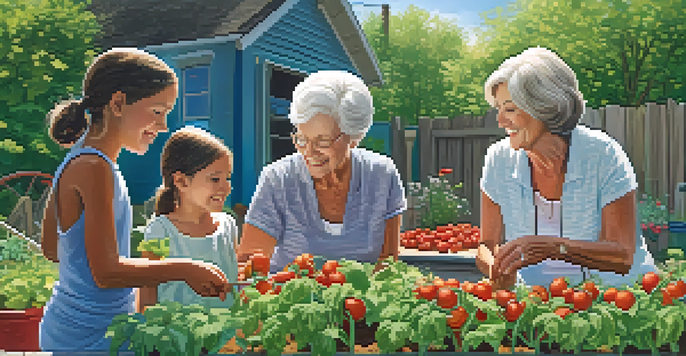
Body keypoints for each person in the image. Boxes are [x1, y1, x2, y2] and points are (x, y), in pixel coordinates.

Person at [39, 48, 229, 352]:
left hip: (68, 328)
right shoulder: (94, 168)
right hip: (94, 337)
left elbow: (52, 249)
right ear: (118, 103)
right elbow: (106, 273)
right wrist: (186, 268)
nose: (164, 126)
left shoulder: (79, 160)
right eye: (157, 111)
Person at [476, 47, 657, 290]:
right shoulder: (498, 159)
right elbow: (487, 245)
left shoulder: (602, 154)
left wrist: (552, 248)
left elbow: (623, 256)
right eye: (498, 109)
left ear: (544, 107)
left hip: (613, 303)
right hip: (536, 305)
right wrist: (496, 268)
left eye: (510, 109)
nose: (500, 121)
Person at [237, 70, 406, 274]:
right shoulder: (278, 179)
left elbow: (387, 266)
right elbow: (249, 267)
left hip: (359, 303)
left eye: (322, 141)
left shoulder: (382, 176)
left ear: (354, 136)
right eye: (301, 139)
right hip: (288, 301)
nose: (309, 152)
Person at [139, 126, 238, 311]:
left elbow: (233, 282)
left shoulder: (228, 225)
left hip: (226, 336)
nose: (226, 188)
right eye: (215, 179)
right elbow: (147, 291)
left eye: (228, 178)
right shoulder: (159, 229)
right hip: (176, 337)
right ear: (181, 181)